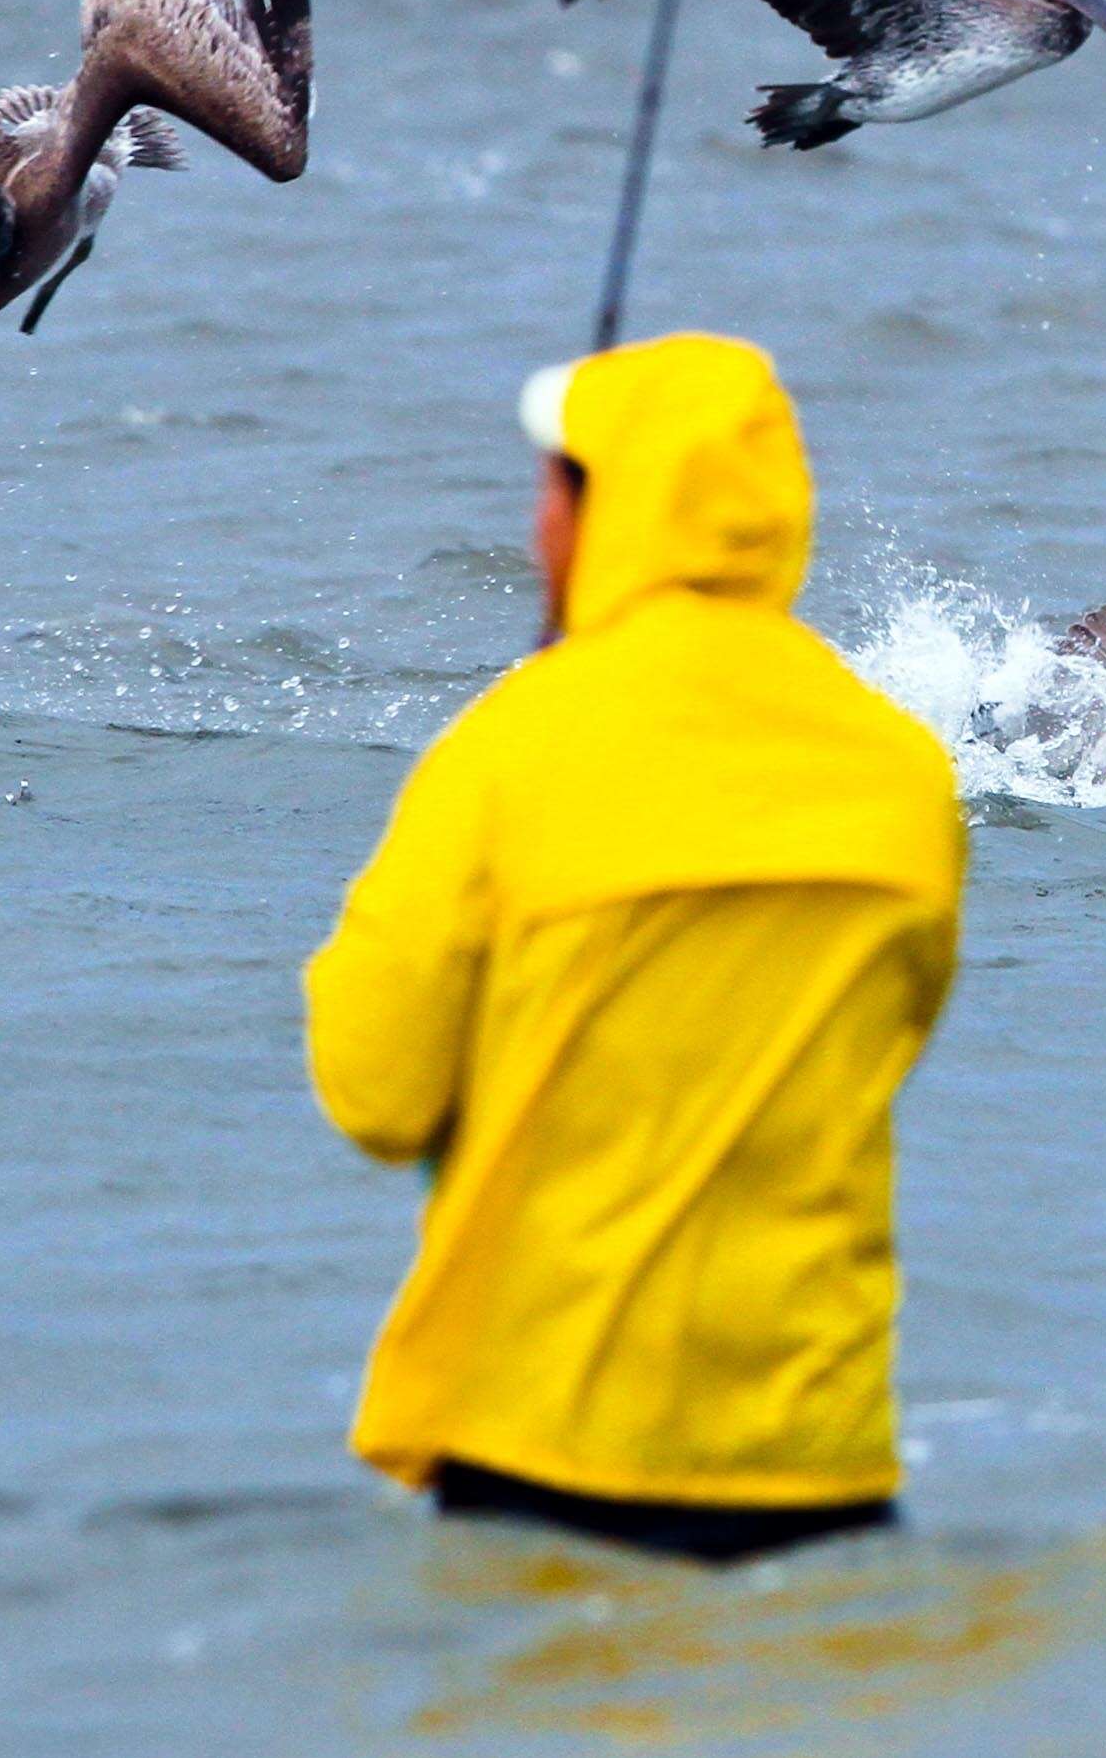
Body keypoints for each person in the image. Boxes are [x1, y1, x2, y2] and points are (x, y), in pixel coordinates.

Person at [301, 331, 965, 1563]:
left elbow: (376, 1093)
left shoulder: (511, 748)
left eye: (549, 483)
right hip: (819, 1459)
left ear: (591, 510)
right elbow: (895, 1028)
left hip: (544, 1444)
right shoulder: (902, 771)